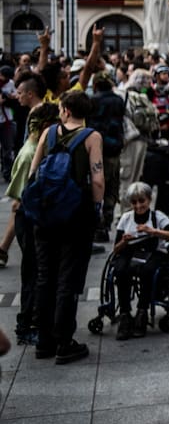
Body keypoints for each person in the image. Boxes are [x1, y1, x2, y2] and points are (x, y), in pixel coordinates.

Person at [29, 90, 104, 364]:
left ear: (66, 110)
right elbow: (97, 179)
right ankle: (64, 341)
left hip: (45, 214)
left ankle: (43, 340)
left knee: (45, 275)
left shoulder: (48, 133)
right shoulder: (92, 137)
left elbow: (33, 171)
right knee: (68, 277)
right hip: (76, 214)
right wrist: (98, 209)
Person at [7, 102, 59, 346]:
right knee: (32, 273)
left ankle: (33, 320)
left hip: (30, 218)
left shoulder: (35, 148)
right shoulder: (30, 154)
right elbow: (19, 197)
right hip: (28, 219)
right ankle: (25, 324)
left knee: (36, 272)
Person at [111, 181, 169, 340]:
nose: (138, 205)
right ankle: (125, 314)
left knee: (147, 271)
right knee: (120, 270)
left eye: (142, 201)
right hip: (130, 251)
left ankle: (142, 311)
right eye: (134, 202)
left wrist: (153, 231)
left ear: (149, 199)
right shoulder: (126, 219)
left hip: (153, 251)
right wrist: (124, 241)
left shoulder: (158, 217)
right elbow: (116, 249)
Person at [88, 71, 126, 241]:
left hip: (97, 148)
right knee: (112, 187)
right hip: (114, 148)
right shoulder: (118, 100)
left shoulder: (92, 101)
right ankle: (107, 222)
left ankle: (97, 224)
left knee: (97, 186)